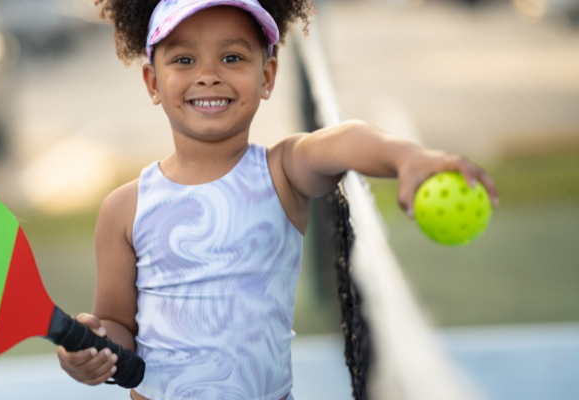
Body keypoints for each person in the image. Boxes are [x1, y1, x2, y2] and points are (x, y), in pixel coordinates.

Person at [57, 1, 499, 399]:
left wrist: (407, 156)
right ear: (153, 83)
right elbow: (118, 325)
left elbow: (344, 140)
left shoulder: (281, 171)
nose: (208, 74)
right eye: (184, 59)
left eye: (232, 57)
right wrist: (93, 349)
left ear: (266, 76)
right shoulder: (123, 208)